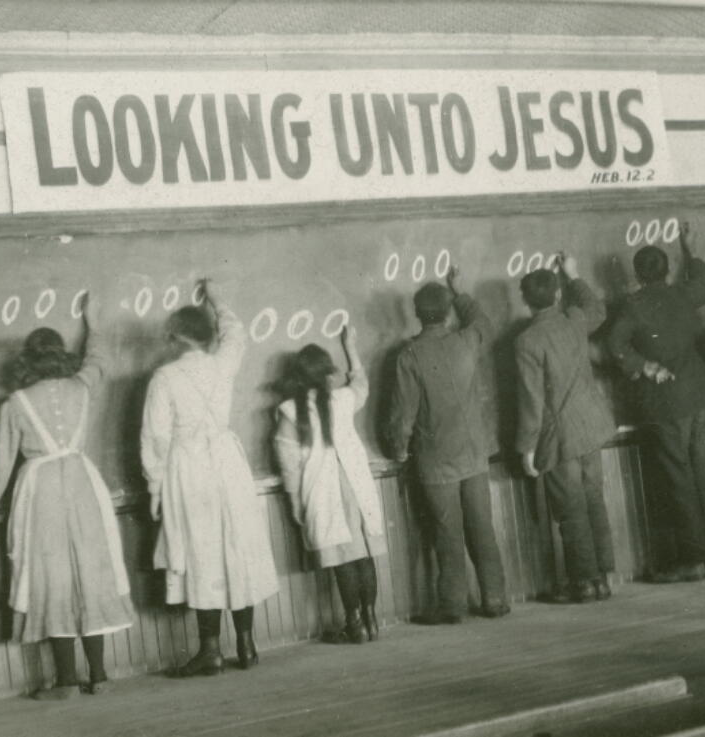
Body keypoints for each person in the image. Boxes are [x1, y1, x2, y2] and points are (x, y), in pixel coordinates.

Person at [0, 295, 133, 700]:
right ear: (60, 356)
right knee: (91, 574)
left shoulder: (14, 405)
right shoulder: (82, 386)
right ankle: (100, 676)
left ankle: (66, 683)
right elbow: (98, 361)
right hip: (84, 484)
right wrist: (93, 325)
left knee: (51, 579)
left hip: (39, 494)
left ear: (27, 360)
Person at [140, 280, 279, 676]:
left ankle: (211, 650)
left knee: (203, 553)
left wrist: (154, 487)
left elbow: (155, 438)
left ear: (174, 338)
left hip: (188, 468)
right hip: (227, 461)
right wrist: (217, 298)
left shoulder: (164, 378)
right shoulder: (223, 361)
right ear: (204, 337)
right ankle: (248, 644)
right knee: (236, 547)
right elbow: (236, 331)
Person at [388, 265, 509, 623]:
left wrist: (399, 449)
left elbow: (403, 415)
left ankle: (452, 606)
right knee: (482, 529)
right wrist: (460, 292)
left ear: (416, 313)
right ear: (447, 311)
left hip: (436, 460)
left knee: (447, 534)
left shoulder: (409, 357)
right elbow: (484, 323)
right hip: (474, 453)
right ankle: (495, 599)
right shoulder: (466, 340)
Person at [607, 223, 705, 583]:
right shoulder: (681, 294)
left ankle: (693, 558)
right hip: (702, 396)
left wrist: (644, 367)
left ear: (637, 275)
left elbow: (615, 345)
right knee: (704, 470)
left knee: (678, 478)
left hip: (667, 402)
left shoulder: (632, 305)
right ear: (667, 269)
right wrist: (689, 249)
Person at [514, 253, 617, 603]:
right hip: (591, 425)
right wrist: (573, 275)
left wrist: (527, 448)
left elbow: (531, 401)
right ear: (557, 296)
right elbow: (596, 310)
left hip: (559, 437)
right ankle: (603, 577)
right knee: (593, 501)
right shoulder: (574, 319)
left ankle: (584, 583)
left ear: (525, 301)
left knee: (571, 511)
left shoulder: (526, 341)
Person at [274, 325, 386, 644]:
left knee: (342, 559)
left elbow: (289, 465)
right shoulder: (343, 398)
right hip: (355, 486)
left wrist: (296, 503)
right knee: (363, 555)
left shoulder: (289, 410)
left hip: (323, 493)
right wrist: (350, 346)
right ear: (328, 375)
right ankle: (371, 619)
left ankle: (354, 625)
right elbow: (361, 384)